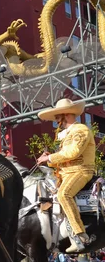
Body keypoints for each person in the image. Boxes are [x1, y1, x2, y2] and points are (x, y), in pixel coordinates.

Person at [36, 99, 96, 252]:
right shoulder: (68, 134)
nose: (56, 121)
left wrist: (49, 158)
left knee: (64, 195)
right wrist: (49, 160)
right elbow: (65, 158)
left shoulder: (81, 130)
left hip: (81, 171)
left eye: (58, 117)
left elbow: (73, 152)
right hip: (65, 174)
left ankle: (80, 234)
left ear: (66, 115)